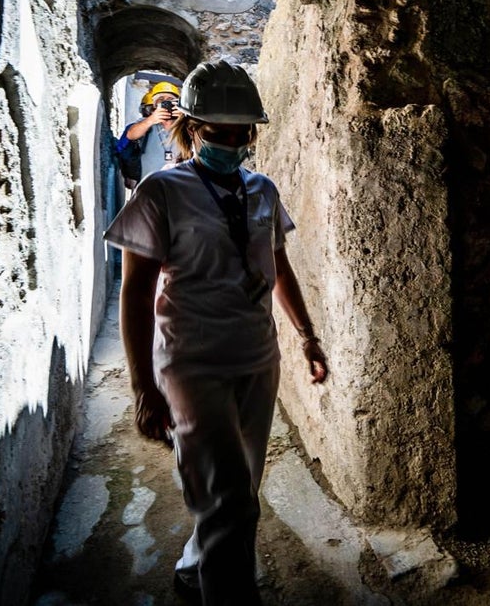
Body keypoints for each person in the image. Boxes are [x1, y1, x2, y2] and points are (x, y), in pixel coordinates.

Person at [103, 60, 329, 606]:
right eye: (217, 131)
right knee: (229, 501)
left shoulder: (262, 191)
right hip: (191, 364)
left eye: (240, 132)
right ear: (193, 128)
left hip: (256, 358)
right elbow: (134, 292)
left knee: (239, 487)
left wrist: (306, 334)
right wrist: (142, 387)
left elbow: (277, 264)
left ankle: (193, 566)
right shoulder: (161, 191)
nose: (231, 141)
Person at [114, 79, 186, 188]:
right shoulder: (145, 124)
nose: (166, 103)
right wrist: (151, 119)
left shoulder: (186, 125)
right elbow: (130, 135)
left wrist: (184, 119)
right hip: (148, 188)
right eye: (161, 100)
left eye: (171, 100)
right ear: (154, 105)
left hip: (179, 189)